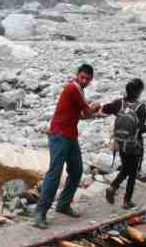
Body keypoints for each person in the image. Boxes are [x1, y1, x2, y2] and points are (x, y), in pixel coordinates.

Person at [34, 65, 102, 229]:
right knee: (55, 172)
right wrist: (96, 108)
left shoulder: (77, 90)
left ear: (91, 80)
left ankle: (63, 204)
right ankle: (40, 212)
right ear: (77, 75)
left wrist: (95, 112)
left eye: (87, 78)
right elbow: (86, 113)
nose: (84, 80)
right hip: (59, 135)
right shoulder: (74, 88)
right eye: (82, 77)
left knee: (77, 170)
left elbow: (79, 116)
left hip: (70, 135)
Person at [102, 79, 146, 209]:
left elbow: (105, 109)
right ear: (138, 92)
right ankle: (126, 200)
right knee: (132, 172)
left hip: (120, 143)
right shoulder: (140, 107)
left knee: (126, 167)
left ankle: (113, 187)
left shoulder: (119, 103)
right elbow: (141, 129)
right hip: (134, 145)